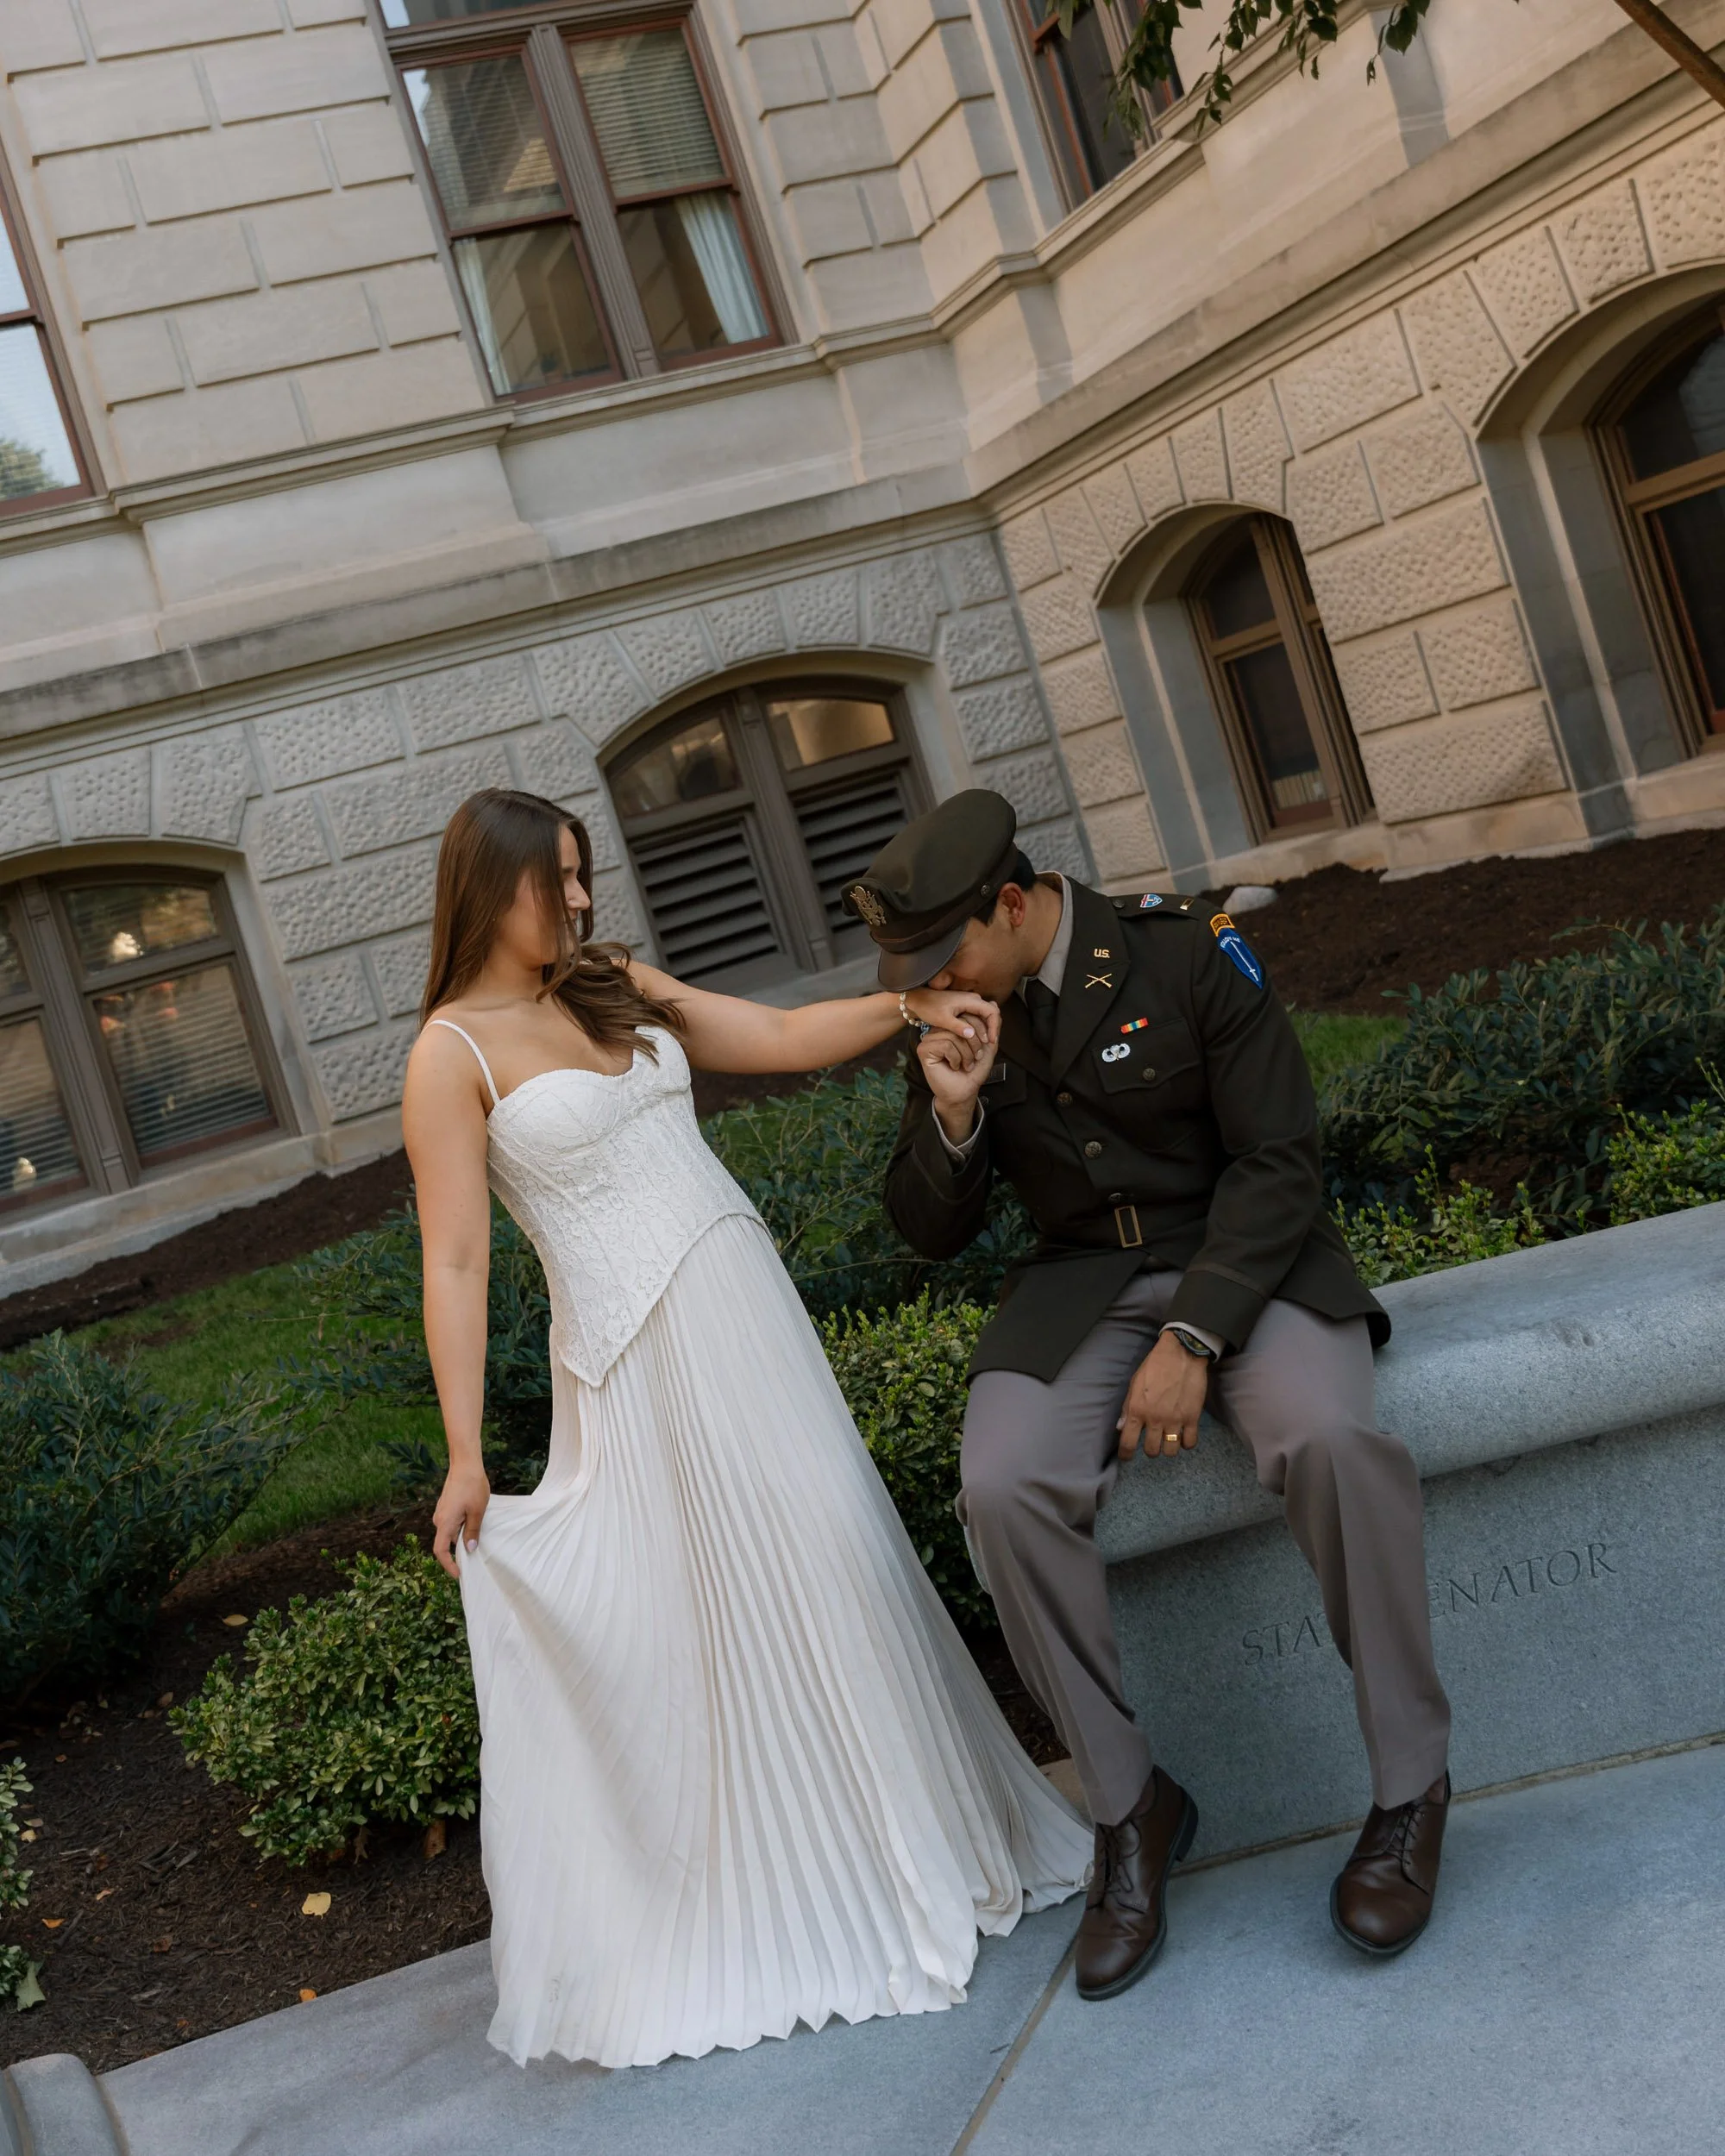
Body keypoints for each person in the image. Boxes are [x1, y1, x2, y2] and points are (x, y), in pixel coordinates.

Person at [401, 787, 1090, 2071]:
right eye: (557, 879)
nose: (582, 899)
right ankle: (811, 1884)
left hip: (744, 1309)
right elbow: (452, 1259)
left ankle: (923, 1846)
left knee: (835, 1556)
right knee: (726, 1613)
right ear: (488, 887)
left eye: (583, 873)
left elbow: (771, 1033)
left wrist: (908, 1009)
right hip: (639, 1359)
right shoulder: (453, 1052)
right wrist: (464, 1452)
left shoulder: (609, 982)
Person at [848, 789, 1453, 2002]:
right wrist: (953, 1116)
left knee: (1331, 1439)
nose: (929, 981)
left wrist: (1195, 1331)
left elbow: (1281, 1159)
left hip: (1248, 1263)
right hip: (1081, 1287)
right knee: (1002, 1489)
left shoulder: (1187, 951)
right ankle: (1132, 1811)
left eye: (946, 951)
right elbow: (925, 1232)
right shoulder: (965, 1012)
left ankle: (1409, 1791)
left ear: (1012, 906)